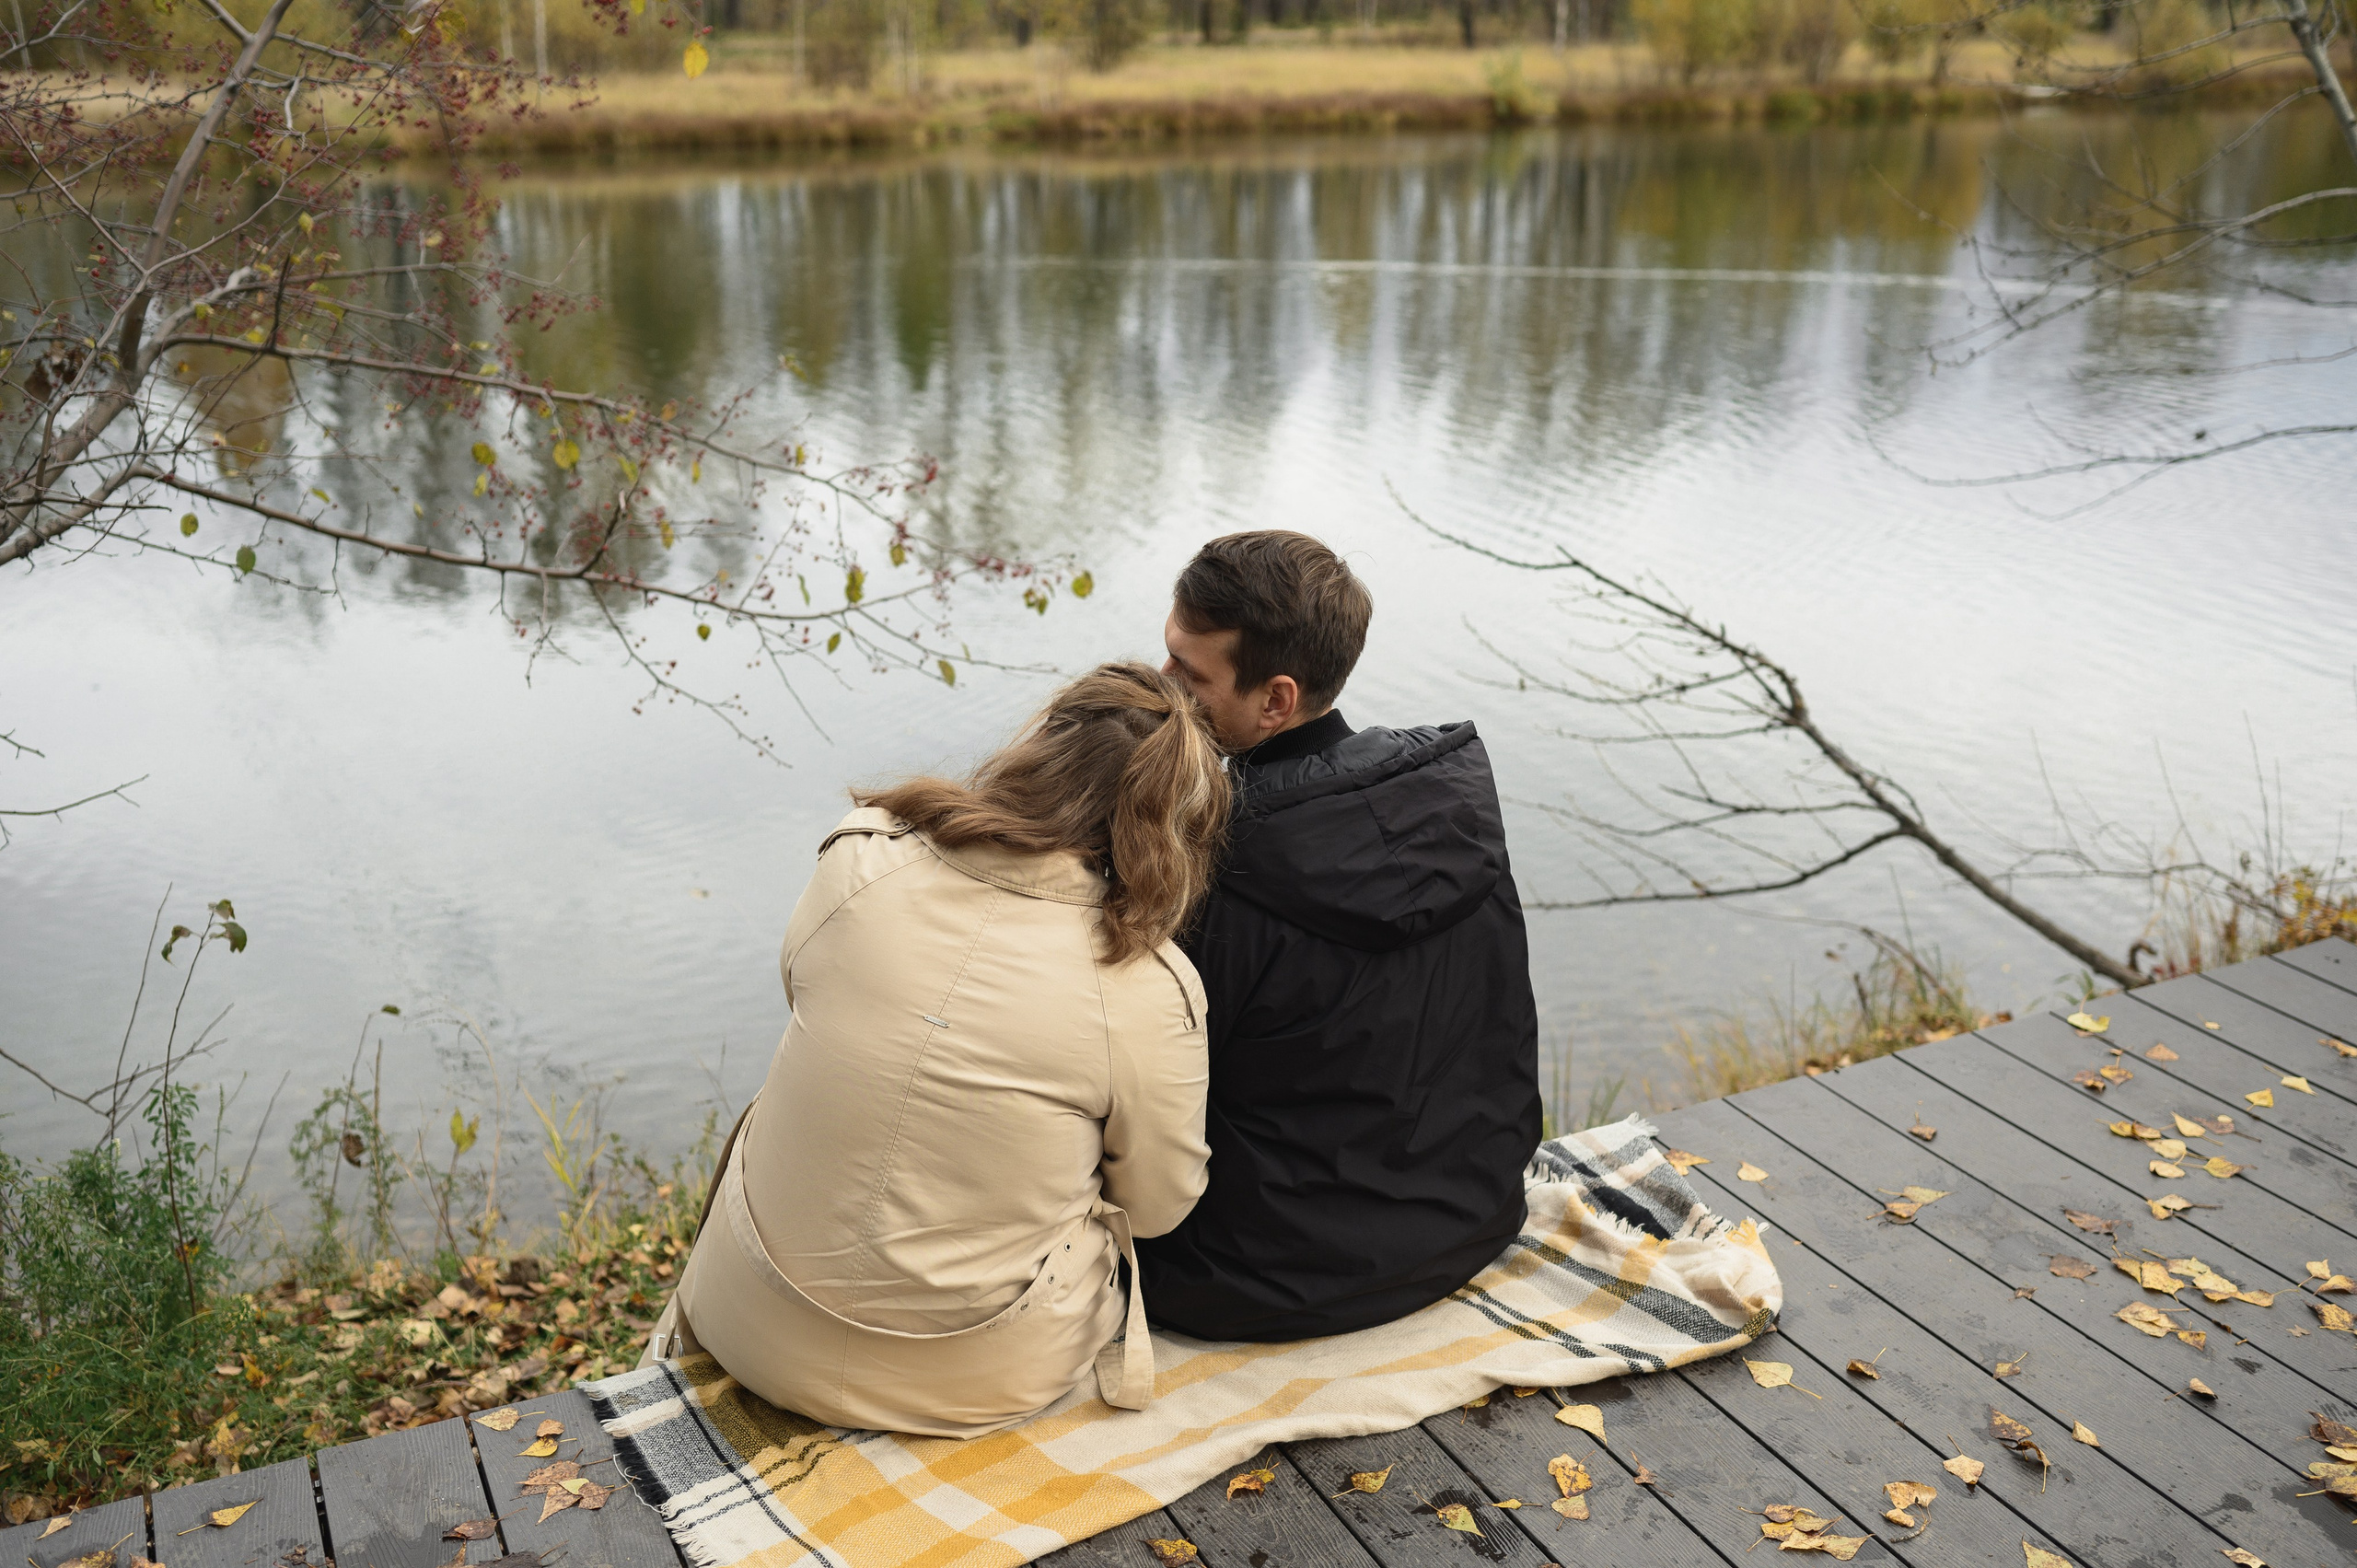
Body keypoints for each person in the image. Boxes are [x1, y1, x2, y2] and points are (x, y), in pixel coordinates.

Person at [643, 664, 1230, 1435]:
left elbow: (803, 987)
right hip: (980, 1379)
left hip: (743, 1321)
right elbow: (1157, 1208)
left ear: (1039, 747)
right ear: (1169, 825)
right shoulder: (1151, 987)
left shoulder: (859, 860)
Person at [1139, 530, 1543, 1342]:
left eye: (1192, 672)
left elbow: (1139, 1100)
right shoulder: (1451, 815)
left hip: (1260, 1280)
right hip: (1471, 1221)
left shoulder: (1220, 869)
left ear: (1276, 700)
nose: (1162, 683)